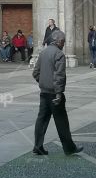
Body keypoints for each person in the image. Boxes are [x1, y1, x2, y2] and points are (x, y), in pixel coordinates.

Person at [31, 27, 83, 157]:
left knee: (41, 119)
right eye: (63, 41)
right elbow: (59, 75)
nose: (64, 44)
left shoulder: (43, 53)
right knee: (61, 121)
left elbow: (35, 73)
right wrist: (59, 93)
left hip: (44, 92)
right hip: (55, 94)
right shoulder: (59, 54)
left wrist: (42, 82)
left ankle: (38, 146)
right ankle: (69, 148)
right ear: (58, 41)